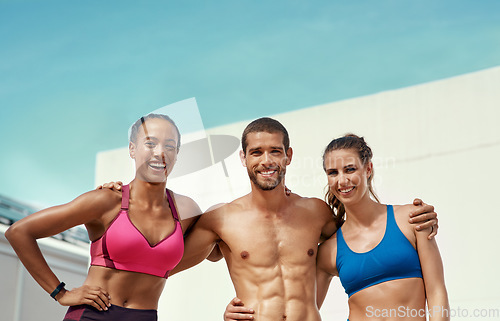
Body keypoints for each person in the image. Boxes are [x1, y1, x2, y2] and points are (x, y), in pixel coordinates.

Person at [168, 118, 439, 321]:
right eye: (256, 152)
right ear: (243, 157)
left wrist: (415, 223)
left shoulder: (315, 213)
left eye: (275, 151)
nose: (267, 160)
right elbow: (163, 265)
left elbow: (363, 239)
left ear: (289, 156)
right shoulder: (221, 219)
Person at [5, 114, 202, 321]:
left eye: (169, 146)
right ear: (132, 149)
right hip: (93, 315)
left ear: (177, 154)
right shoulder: (106, 201)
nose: (160, 152)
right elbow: (19, 232)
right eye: (150, 143)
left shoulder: (186, 210)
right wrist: (60, 293)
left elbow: (216, 247)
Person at [315, 134, 449, 320]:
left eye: (350, 169)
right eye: (333, 173)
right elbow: (304, 309)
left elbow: (437, 292)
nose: (342, 180)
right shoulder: (329, 251)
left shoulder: (413, 219)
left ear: (368, 168)